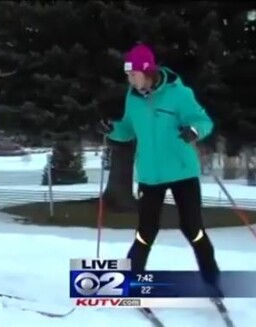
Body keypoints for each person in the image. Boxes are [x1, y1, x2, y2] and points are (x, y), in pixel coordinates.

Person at [98, 44, 221, 294]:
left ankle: (212, 280)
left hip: (182, 172)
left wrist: (194, 131)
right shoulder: (133, 98)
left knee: (193, 229)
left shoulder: (179, 94)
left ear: (147, 71)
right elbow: (128, 129)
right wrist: (112, 129)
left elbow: (203, 121)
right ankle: (132, 281)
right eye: (128, 75)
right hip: (150, 175)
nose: (129, 79)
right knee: (146, 231)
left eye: (133, 74)